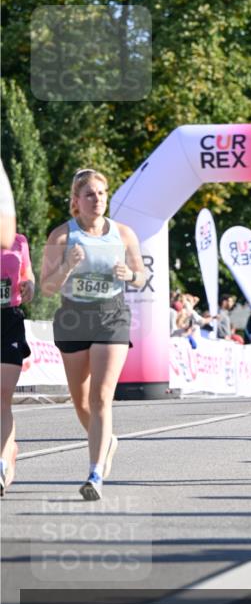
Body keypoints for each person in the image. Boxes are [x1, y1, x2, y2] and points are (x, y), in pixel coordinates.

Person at [40, 168, 144, 501]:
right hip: (73, 318)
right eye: (89, 194)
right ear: (76, 200)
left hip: (111, 316)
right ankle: (106, 441)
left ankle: (95, 473)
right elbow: (46, 287)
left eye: (101, 193)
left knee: (101, 398)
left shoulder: (123, 234)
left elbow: (141, 276)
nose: (97, 199)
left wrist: (130, 275)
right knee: (81, 401)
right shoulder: (62, 236)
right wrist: (67, 266)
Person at [1, 231, 35, 495]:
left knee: (2, 395)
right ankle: (9, 448)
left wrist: (29, 284)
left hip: (8, 319)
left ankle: (1, 462)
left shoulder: (18, 241)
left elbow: (27, 273)